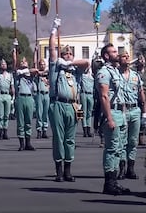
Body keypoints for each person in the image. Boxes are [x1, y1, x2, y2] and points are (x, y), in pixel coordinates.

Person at [48, 18, 90, 182]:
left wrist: (69, 62)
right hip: (58, 104)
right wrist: (54, 30)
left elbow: (87, 62)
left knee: (70, 139)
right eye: (65, 54)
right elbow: (52, 49)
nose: (67, 56)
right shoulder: (55, 68)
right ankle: (58, 170)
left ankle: (68, 170)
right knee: (59, 138)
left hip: (73, 106)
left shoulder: (74, 70)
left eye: (70, 54)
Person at [96, 43, 130, 195]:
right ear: (106, 56)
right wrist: (109, 118)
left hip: (120, 113)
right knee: (111, 148)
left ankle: (114, 181)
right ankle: (108, 183)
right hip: (112, 113)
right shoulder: (104, 72)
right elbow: (104, 96)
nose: (118, 53)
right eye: (114, 52)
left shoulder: (115, 71)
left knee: (119, 148)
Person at [117, 50, 146, 181]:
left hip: (135, 109)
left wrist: (145, 110)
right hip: (122, 110)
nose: (127, 59)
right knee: (122, 141)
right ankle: (122, 168)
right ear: (119, 59)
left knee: (133, 140)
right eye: (124, 57)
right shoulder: (116, 74)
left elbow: (141, 93)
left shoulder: (135, 75)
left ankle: (131, 167)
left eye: (128, 56)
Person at [12, 42, 38, 152]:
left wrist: (35, 51)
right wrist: (14, 50)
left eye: (24, 61)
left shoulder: (28, 73)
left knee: (28, 121)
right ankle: (22, 143)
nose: (22, 62)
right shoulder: (17, 72)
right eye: (21, 61)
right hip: (20, 98)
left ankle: (28, 143)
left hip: (29, 98)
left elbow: (35, 69)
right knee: (21, 121)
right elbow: (14, 63)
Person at [0, 59, 14, 140]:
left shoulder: (10, 75)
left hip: (7, 95)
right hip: (0, 95)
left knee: (7, 115)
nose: (4, 65)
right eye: (2, 64)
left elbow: (12, 87)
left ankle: (5, 132)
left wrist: (13, 96)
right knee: (0, 115)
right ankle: (0, 132)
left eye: (5, 64)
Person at [34, 58, 50, 139]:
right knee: (39, 113)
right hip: (39, 94)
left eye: (44, 64)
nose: (42, 66)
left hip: (47, 94)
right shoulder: (37, 73)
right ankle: (39, 130)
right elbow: (34, 70)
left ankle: (45, 130)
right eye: (41, 64)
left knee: (46, 113)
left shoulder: (48, 74)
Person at [78, 65, 95, 138]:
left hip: (90, 94)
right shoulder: (82, 75)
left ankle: (89, 129)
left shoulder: (92, 76)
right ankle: (84, 130)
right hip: (83, 93)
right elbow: (79, 85)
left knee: (89, 112)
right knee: (83, 112)